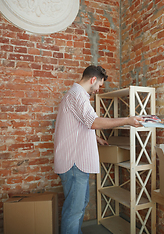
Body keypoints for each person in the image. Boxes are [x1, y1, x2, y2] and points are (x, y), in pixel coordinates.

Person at [54, 65, 143, 234]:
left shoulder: (74, 95)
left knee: (79, 204)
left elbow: (75, 126)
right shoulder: (78, 95)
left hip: (74, 161)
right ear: (93, 80)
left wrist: (95, 138)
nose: (98, 90)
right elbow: (93, 122)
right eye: (99, 86)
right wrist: (128, 120)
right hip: (73, 163)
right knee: (74, 210)